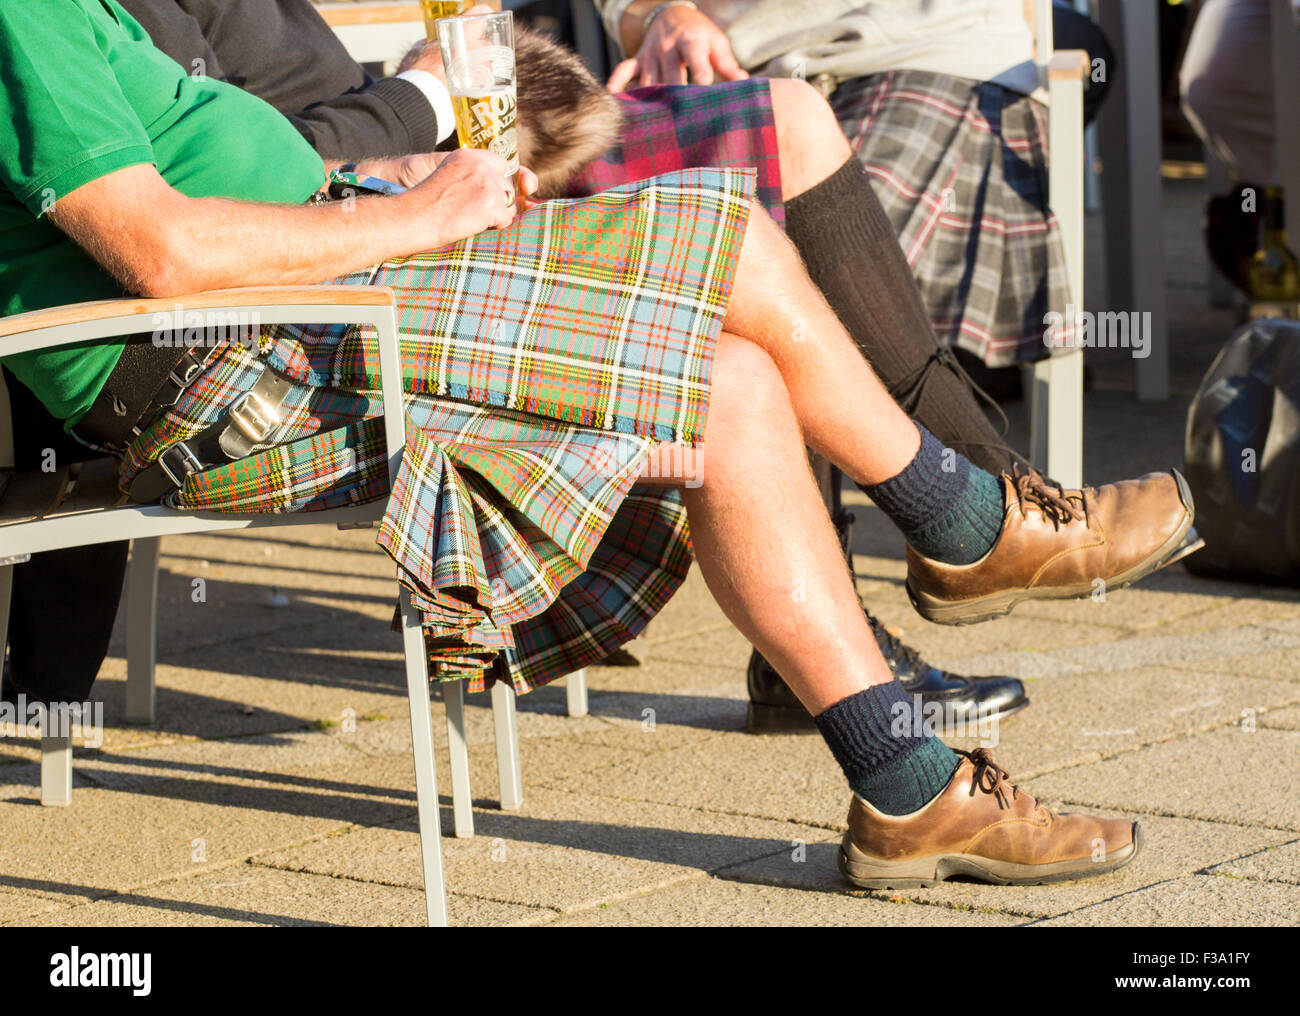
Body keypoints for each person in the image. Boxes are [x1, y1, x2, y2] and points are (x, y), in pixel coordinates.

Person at [2, 0, 1196, 886]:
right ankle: (965, 521)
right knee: (720, 236)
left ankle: (907, 784)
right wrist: (414, 213)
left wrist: (380, 189)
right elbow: (158, 251)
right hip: (234, 382)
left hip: (319, 303)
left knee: (729, 377)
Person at [596, 0, 1075, 373]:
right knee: (714, 311)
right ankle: (1013, 497)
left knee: (819, 299)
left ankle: (999, 496)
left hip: (927, 54)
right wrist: (664, 12)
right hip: (734, 77)